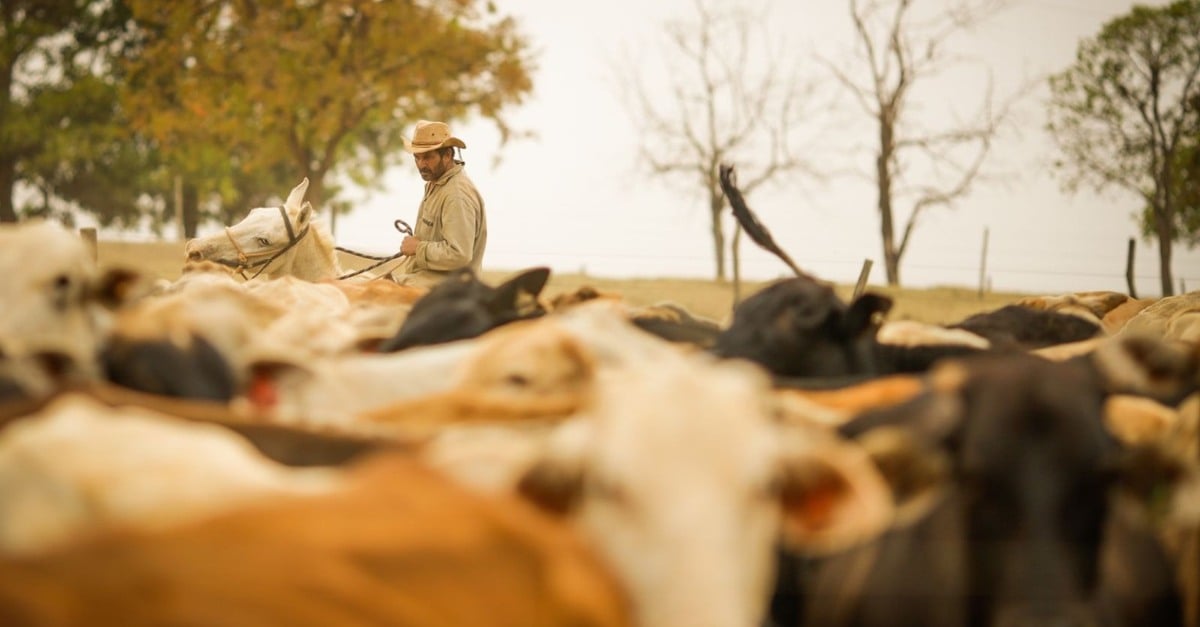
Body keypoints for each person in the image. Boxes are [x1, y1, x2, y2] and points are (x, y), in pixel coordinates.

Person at [388, 120, 487, 287]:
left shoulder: (456, 195)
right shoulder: (438, 184)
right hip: (427, 284)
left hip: (447, 294)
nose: (421, 164)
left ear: (448, 155)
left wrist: (418, 248)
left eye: (427, 157)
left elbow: (459, 255)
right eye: (417, 157)